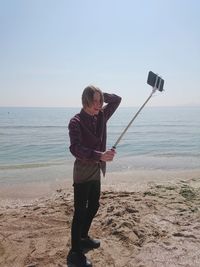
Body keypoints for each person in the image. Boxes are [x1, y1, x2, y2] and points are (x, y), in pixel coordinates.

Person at [67, 85, 121, 267]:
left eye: (100, 101)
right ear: (85, 100)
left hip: (96, 170)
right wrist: (100, 155)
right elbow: (75, 149)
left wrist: (101, 94)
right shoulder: (75, 122)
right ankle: (75, 252)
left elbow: (117, 99)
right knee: (80, 211)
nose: (98, 104)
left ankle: (83, 237)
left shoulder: (101, 115)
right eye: (94, 101)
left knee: (94, 205)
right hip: (82, 171)